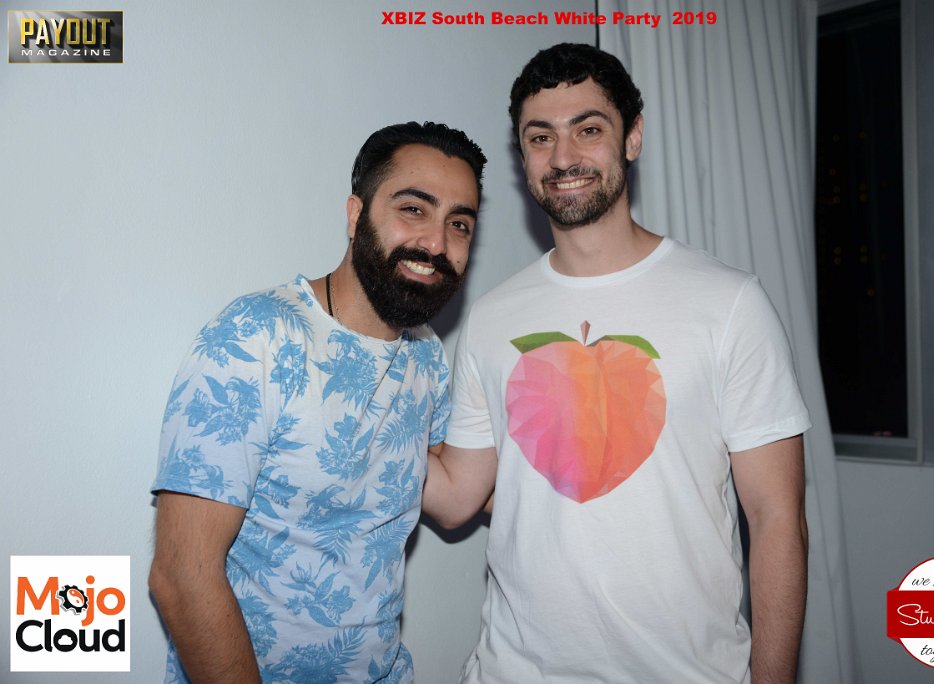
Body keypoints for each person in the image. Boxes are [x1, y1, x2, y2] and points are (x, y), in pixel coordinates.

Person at [423, 44, 809, 684]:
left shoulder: (730, 303)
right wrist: (366, 399)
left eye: (588, 130)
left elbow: (777, 519)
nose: (563, 157)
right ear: (523, 158)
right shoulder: (490, 318)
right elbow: (457, 497)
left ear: (632, 138)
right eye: (540, 137)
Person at [149, 121, 486, 683]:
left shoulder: (425, 355)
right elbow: (182, 577)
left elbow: (453, 495)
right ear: (356, 215)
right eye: (413, 209)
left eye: (459, 224)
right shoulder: (256, 336)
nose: (436, 243)